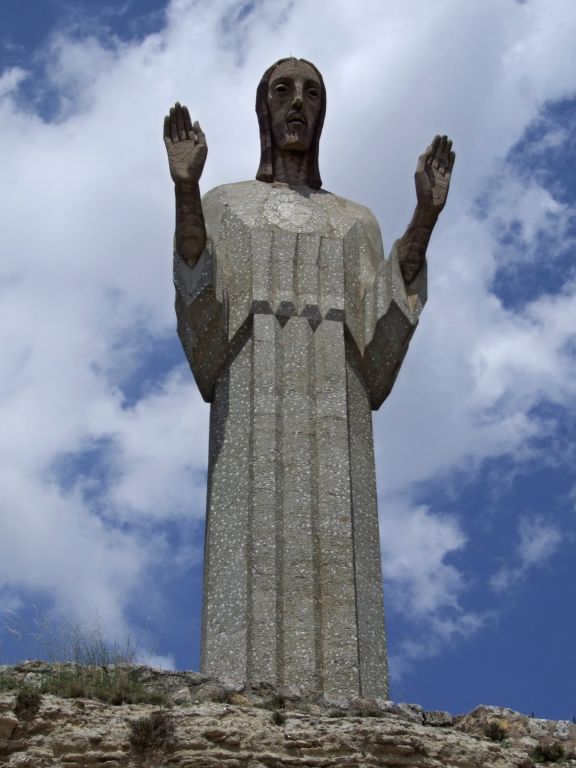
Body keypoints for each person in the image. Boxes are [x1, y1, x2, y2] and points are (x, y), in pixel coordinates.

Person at [163, 58, 454, 698]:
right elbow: (198, 290)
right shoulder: (228, 206)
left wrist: (425, 218)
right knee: (248, 547)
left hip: (336, 402)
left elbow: (382, 318)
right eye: (282, 91)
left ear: (324, 113)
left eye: (311, 93)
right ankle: (239, 712)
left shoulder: (355, 221)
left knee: (340, 549)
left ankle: (351, 715)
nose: (297, 103)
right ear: (262, 110)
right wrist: (186, 189)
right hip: (250, 399)